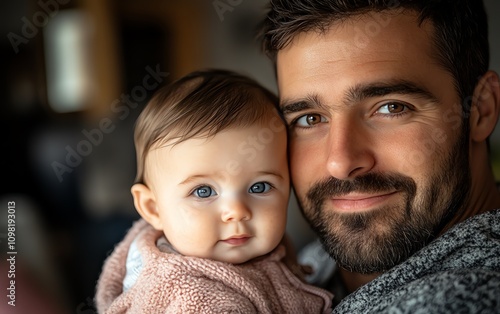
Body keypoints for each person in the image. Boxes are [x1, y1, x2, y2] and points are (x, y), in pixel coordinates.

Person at [259, 0, 500, 312]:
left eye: (391, 107)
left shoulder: (465, 297)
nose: (340, 163)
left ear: (481, 109)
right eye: (309, 119)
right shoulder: (301, 267)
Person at [94, 69, 333, 313]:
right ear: (153, 208)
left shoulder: (271, 251)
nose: (236, 212)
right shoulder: (192, 299)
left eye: (259, 187)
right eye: (203, 192)